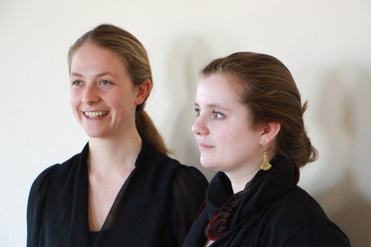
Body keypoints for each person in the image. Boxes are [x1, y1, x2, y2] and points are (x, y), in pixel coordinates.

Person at [27, 24, 208, 247]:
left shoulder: (179, 188)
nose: (88, 97)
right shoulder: (48, 187)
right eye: (78, 82)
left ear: (141, 91)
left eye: (104, 82)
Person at [182, 52, 351, 247]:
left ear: (266, 130)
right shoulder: (214, 209)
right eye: (198, 111)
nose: (196, 127)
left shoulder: (305, 232)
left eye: (217, 114)